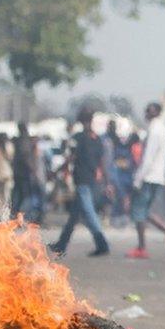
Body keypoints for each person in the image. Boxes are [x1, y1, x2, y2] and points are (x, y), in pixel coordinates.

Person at [50, 108, 111, 257]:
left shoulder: (79, 137)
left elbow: (71, 157)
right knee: (74, 216)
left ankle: (102, 243)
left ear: (82, 121)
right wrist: (107, 181)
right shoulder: (97, 139)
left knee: (89, 214)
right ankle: (61, 244)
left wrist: (56, 171)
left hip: (82, 180)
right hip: (91, 181)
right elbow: (102, 163)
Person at [127, 103, 165, 259]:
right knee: (145, 211)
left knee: (138, 211)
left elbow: (148, 157)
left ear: (156, 112)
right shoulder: (163, 128)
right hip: (158, 177)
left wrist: (138, 179)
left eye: (149, 111)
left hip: (148, 176)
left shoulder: (154, 129)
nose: (146, 113)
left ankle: (142, 247)